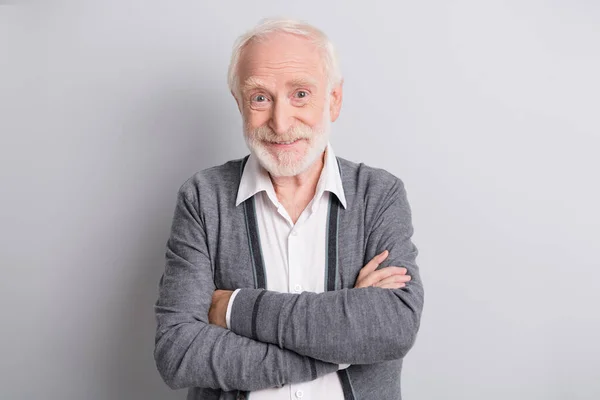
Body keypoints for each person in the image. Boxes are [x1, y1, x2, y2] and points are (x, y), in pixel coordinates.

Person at [154, 17, 424, 400]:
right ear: (239, 104)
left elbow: (392, 327)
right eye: (260, 97)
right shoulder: (203, 198)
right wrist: (342, 347)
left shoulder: (377, 195)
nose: (280, 123)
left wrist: (232, 308)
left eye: (300, 94)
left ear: (334, 99)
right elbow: (178, 353)